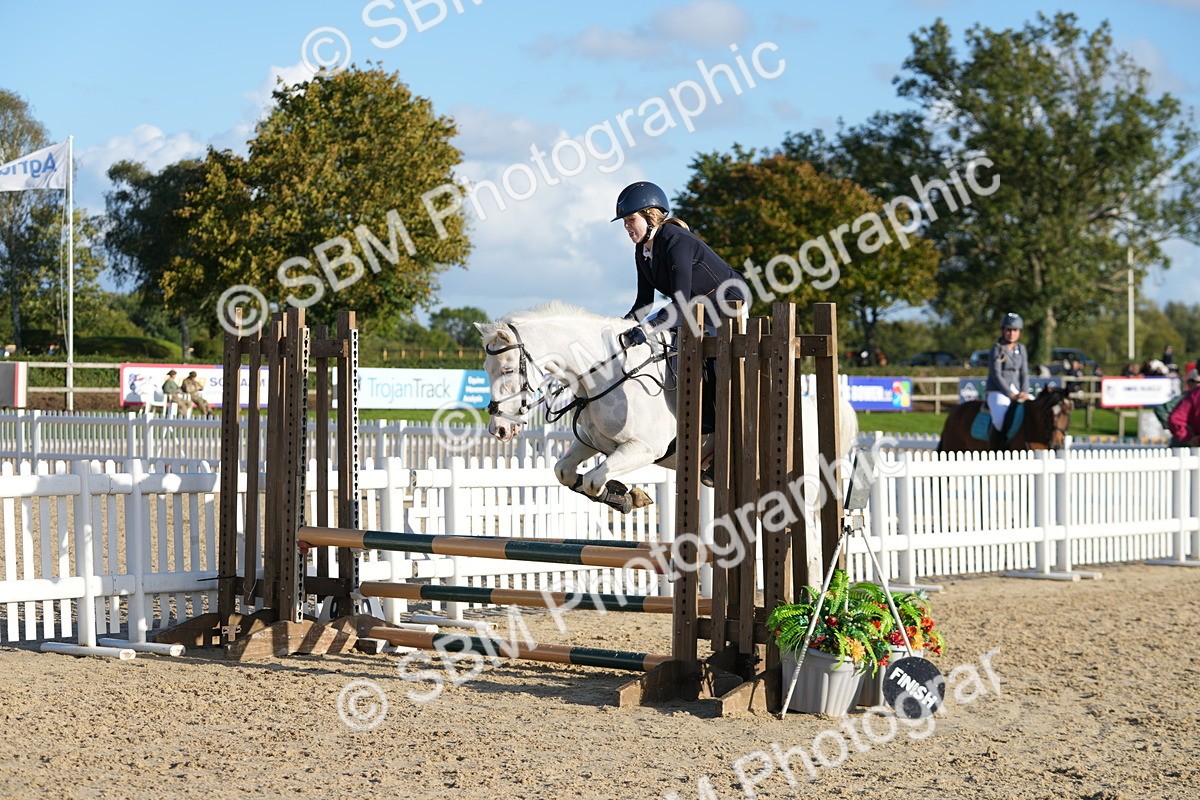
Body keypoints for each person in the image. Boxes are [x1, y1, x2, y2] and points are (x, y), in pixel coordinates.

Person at [614, 181, 749, 342]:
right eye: (624, 222)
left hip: (726, 306)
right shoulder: (642, 249)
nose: (626, 226)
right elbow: (644, 301)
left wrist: (647, 328)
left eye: (631, 219)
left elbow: (681, 303)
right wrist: (621, 325)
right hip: (693, 309)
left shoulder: (676, 241)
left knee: (720, 363)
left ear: (650, 216)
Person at [984, 312, 1031, 449]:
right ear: (1003, 331)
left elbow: (1024, 373)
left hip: (1017, 390)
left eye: (1015, 330)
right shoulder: (997, 348)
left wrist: (1025, 392)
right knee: (999, 419)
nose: (1011, 333)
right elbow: (996, 375)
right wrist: (1010, 394)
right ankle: (997, 447)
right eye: (1008, 330)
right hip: (998, 391)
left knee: (1036, 409)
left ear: (1019, 332)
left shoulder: (1021, 349)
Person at [1165, 369, 1200, 447]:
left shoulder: (1193, 395)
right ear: (1190, 382)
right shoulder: (1191, 396)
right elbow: (1173, 418)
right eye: (1197, 382)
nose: (1198, 385)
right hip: (1186, 445)